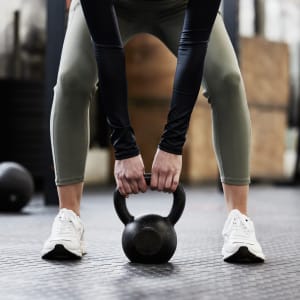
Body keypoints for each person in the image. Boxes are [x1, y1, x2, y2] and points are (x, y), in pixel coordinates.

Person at [41, 0, 265, 263]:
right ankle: (69, 217)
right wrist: (123, 147)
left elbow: (193, 45)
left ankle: (238, 218)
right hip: (112, 5)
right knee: (72, 78)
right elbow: (106, 46)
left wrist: (172, 144)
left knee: (227, 79)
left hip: (180, 6)